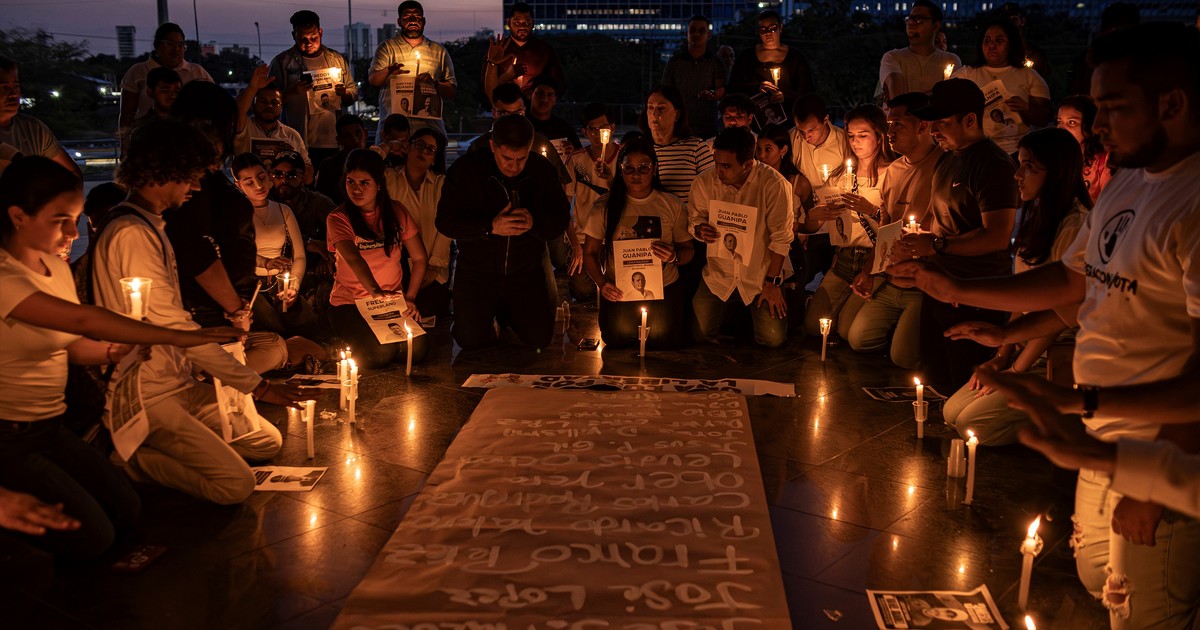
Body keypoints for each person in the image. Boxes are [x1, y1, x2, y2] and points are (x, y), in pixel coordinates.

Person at [889, 24, 1200, 628]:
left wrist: (1152, 478)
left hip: (1163, 446)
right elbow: (1076, 283)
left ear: (1172, 104)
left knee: (1144, 607)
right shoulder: (1126, 185)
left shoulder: (1193, 203)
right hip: (1101, 427)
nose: (1098, 124)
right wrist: (970, 300)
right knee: (1094, 572)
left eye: (1112, 107)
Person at [0, 156, 238, 557]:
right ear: (18, 216)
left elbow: (70, 343)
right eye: (60, 220)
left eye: (74, 218)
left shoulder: (53, 269)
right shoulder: (5, 277)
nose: (71, 233)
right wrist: (177, 338)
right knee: (93, 537)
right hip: (10, 435)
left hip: (50, 428)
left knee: (127, 509)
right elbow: (83, 319)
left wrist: (114, 350)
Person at [94, 119, 308, 505]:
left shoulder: (153, 226)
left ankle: (185, 442)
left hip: (179, 382)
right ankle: (129, 462)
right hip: (149, 393)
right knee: (235, 485)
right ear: (166, 170)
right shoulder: (131, 234)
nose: (196, 187)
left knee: (264, 441)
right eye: (192, 176)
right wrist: (259, 386)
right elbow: (176, 327)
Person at [942, 128, 1090, 446]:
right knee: (951, 412)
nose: (1017, 175)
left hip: (1055, 353)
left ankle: (1054, 424)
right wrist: (1001, 357)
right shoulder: (1035, 215)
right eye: (1019, 164)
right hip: (1024, 344)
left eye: (1029, 167)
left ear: (1058, 173)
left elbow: (1057, 312)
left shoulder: (1075, 225)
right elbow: (1020, 296)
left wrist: (1017, 371)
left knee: (972, 424)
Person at [891, 78, 1017, 390]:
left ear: (970, 120)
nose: (933, 131)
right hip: (939, 286)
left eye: (942, 123)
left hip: (974, 291)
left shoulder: (993, 164)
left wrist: (935, 245)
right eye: (931, 123)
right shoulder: (947, 159)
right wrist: (914, 244)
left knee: (963, 378)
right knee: (935, 374)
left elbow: (997, 236)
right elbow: (939, 218)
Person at [168, 82, 289, 375]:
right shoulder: (189, 186)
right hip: (206, 316)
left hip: (222, 314)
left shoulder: (206, 180)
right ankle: (209, 379)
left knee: (276, 345)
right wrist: (236, 311)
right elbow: (197, 252)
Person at [976, 368, 1200, 520]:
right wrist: (1078, 401)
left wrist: (1135, 478)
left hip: (1145, 440)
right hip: (1107, 434)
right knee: (1093, 568)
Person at [436, 115, 570, 350]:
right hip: (478, 270)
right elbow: (445, 222)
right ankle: (486, 316)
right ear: (492, 146)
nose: (514, 166)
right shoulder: (466, 170)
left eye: (522, 158)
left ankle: (510, 314)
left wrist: (534, 222)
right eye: (507, 158)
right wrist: (489, 226)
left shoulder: (542, 170)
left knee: (539, 338)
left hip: (526, 269)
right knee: (469, 340)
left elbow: (560, 220)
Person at [845, 92, 942, 369]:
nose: (890, 132)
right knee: (857, 340)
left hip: (924, 285)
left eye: (898, 124)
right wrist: (867, 272)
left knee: (903, 358)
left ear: (923, 126)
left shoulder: (943, 167)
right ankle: (901, 329)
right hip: (891, 279)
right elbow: (885, 232)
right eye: (888, 125)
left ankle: (916, 332)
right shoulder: (895, 171)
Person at [583, 138, 694, 349]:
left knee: (663, 338)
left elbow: (689, 250)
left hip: (664, 286)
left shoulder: (671, 204)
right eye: (629, 168)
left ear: (654, 169)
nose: (636, 174)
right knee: (617, 337)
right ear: (620, 169)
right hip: (619, 288)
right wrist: (602, 283)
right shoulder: (604, 206)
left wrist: (674, 256)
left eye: (644, 168)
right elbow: (589, 252)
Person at [690, 127, 793, 348]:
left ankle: (747, 314)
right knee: (699, 334)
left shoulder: (774, 184)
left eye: (726, 166)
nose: (718, 170)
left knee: (772, 339)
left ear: (748, 164)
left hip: (759, 275)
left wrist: (772, 283)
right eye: (716, 162)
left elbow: (781, 239)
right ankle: (735, 313)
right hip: (720, 274)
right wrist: (699, 229)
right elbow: (695, 218)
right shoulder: (704, 182)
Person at [326, 149, 430, 369]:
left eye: (364, 183)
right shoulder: (338, 218)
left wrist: (409, 298)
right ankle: (341, 343)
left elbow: (420, 259)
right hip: (351, 304)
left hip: (390, 303)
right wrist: (373, 290)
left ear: (379, 184)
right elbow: (354, 259)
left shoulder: (396, 212)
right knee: (379, 355)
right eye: (350, 182)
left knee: (418, 351)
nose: (356, 189)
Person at [801, 105, 894, 340]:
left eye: (863, 136)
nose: (856, 142)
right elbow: (818, 225)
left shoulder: (892, 173)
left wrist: (871, 210)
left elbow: (895, 229)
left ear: (879, 136)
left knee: (846, 331)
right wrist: (814, 216)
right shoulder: (839, 176)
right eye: (851, 136)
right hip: (844, 259)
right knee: (815, 327)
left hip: (874, 262)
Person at [231, 153, 320, 342]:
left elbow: (300, 255)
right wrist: (266, 262)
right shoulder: (236, 213)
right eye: (249, 182)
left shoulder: (282, 210)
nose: (258, 186)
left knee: (308, 327)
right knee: (274, 330)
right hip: (251, 286)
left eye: (261, 177)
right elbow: (237, 253)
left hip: (281, 282)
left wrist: (293, 286)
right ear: (238, 185)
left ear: (269, 174)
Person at [267, 10, 356, 169]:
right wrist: (292, 92)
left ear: (321, 32)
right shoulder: (282, 62)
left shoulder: (336, 59)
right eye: (303, 39)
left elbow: (353, 93)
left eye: (313, 38)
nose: (308, 42)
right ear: (293, 35)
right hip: (298, 141)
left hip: (333, 141)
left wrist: (345, 93)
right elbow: (268, 102)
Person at [950, 19, 1050, 156]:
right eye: (987, 40)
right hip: (975, 150)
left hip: (1015, 151)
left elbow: (1044, 117)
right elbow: (944, 102)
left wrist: (1026, 108)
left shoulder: (1029, 76)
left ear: (1011, 44)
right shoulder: (967, 74)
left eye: (999, 40)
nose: (992, 45)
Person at [369, 1, 457, 153]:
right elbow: (373, 80)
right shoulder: (387, 48)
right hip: (393, 134)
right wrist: (388, 71)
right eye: (407, 17)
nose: (412, 21)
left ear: (423, 21)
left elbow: (452, 90)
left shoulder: (438, 51)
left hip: (430, 132)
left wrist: (434, 84)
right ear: (399, 21)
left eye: (417, 17)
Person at [387, 128, 451, 323]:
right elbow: (365, 165)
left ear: (434, 158)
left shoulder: (442, 184)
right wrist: (389, 146)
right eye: (420, 145)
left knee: (424, 314)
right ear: (409, 146)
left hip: (433, 271)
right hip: (395, 269)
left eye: (430, 150)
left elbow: (446, 227)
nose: (424, 152)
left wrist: (434, 267)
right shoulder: (390, 178)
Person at [563, 103, 619, 302]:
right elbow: (563, 207)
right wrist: (576, 246)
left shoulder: (624, 158)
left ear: (612, 128)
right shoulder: (576, 160)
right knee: (582, 290)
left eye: (602, 128)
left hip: (616, 237)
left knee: (618, 288)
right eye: (592, 130)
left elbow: (630, 199)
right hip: (585, 238)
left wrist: (611, 178)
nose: (597, 135)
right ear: (585, 132)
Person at [118, 23, 213, 135]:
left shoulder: (197, 73)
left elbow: (214, 107)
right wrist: (124, 147)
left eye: (180, 45)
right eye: (170, 44)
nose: (176, 49)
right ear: (156, 45)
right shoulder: (138, 72)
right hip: (149, 140)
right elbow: (127, 114)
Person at [727, 10, 814, 127]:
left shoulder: (796, 57)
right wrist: (757, 87)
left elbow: (807, 91)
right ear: (758, 32)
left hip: (790, 123)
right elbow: (733, 87)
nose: (768, 33)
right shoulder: (746, 57)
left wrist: (785, 96)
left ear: (780, 28)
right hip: (755, 124)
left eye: (772, 28)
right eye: (763, 29)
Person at [0, 56, 80, 179]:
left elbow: (72, 174)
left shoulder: (34, 129)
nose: (14, 94)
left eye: (16, 86)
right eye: (4, 87)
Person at [234, 65, 313, 183]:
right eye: (262, 101)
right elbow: (237, 112)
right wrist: (253, 87)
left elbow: (308, 173)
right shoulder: (244, 127)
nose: (269, 106)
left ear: (281, 106)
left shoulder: (291, 135)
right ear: (253, 105)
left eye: (274, 102)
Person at [640, 85, 714, 206]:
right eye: (650, 107)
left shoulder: (696, 148)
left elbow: (713, 188)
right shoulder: (640, 148)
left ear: (677, 114)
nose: (654, 113)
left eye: (661, 108)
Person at [877, 0, 961, 101]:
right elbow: (899, 102)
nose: (911, 23)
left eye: (918, 19)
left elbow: (952, 100)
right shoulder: (893, 58)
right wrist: (935, 95)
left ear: (935, 26)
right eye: (909, 19)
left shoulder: (951, 61)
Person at [483, 2, 567, 102]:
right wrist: (505, 77)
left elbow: (558, 85)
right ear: (509, 23)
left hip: (535, 110)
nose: (522, 27)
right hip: (505, 107)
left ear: (533, 23)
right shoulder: (497, 50)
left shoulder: (545, 50)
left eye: (526, 23)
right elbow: (485, 88)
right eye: (517, 23)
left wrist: (534, 90)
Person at [661, 15, 727, 140]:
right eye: (693, 30)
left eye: (701, 31)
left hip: (707, 126)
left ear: (709, 34)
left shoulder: (715, 62)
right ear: (687, 33)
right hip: (680, 125)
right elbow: (665, 91)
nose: (696, 34)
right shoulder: (675, 62)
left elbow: (721, 88)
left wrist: (712, 94)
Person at [1056, 95, 1113, 204]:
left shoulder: (1105, 161)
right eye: (1059, 122)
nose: (1062, 129)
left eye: (1072, 122)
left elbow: (1109, 204)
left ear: (1089, 126)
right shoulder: (1055, 159)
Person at [315, 114, 369, 204]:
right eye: (348, 136)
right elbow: (324, 200)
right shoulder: (329, 166)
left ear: (365, 133)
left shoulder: (374, 160)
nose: (355, 140)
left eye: (358, 133)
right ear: (339, 140)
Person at [527, 80, 581, 162]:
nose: (544, 99)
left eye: (550, 95)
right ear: (530, 94)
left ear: (555, 100)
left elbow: (580, 157)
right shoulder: (522, 124)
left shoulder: (564, 128)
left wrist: (573, 154)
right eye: (540, 93)